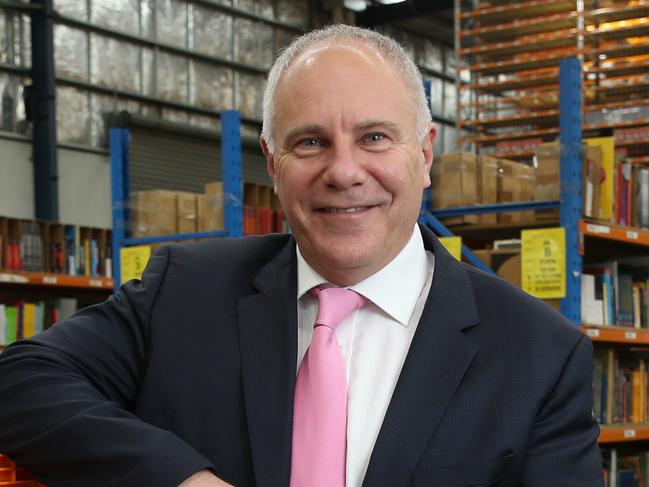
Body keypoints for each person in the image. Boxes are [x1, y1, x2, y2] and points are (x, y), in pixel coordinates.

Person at [0, 24, 603, 487]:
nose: (343, 172)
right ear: (271, 161)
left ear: (424, 155)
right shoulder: (182, 292)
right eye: (310, 141)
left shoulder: (539, 354)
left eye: (374, 137)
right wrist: (182, 478)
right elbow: (18, 380)